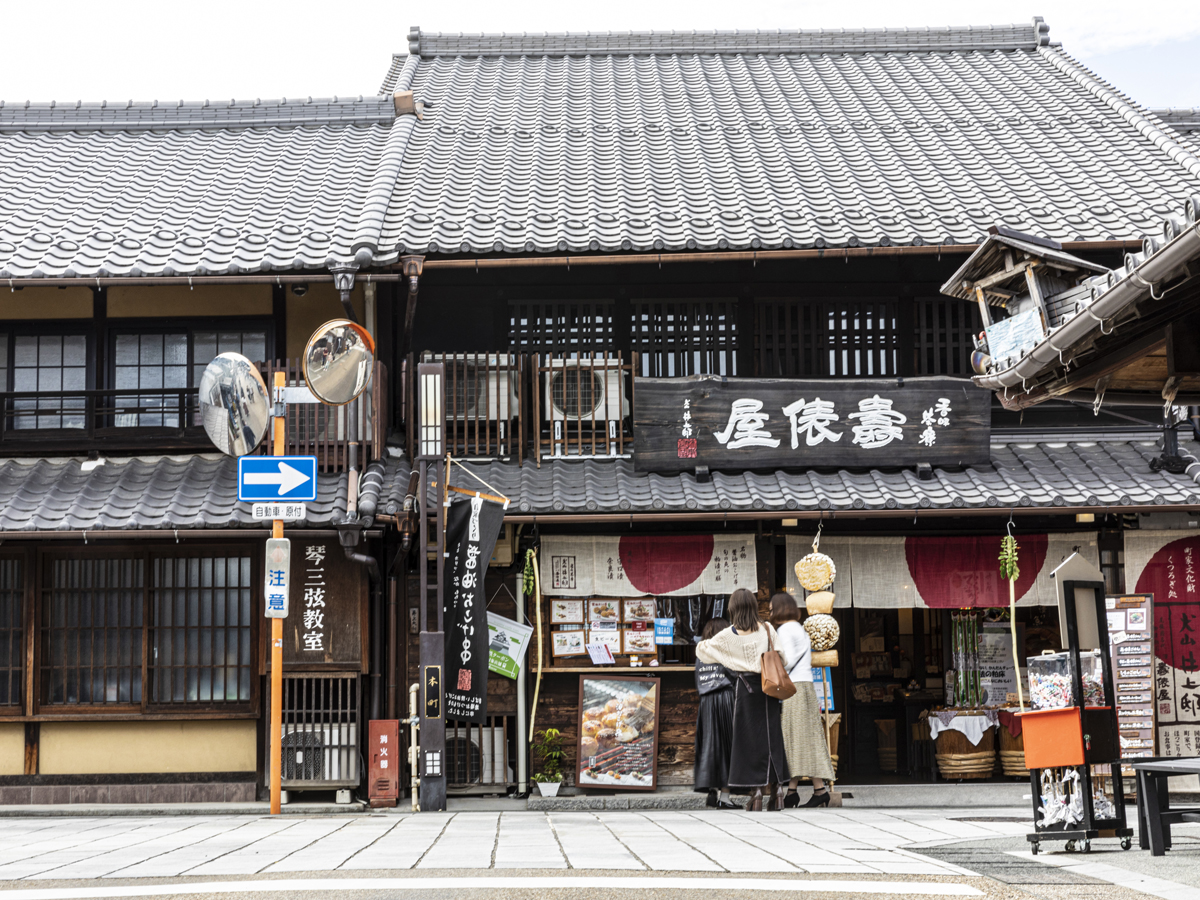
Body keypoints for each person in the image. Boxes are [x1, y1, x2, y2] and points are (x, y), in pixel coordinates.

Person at [696, 588, 790, 811]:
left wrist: (729, 658)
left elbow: (702, 650)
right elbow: (783, 657)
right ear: (754, 606)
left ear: (733, 608)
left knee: (748, 742)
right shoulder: (767, 628)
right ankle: (777, 791)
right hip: (769, 687)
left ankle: (756, 793)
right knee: (772, 738)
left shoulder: (728, 635)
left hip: (745, 688)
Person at [770, 592, 835, 808]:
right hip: (806, 687)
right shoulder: (800, 629)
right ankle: (798, 791)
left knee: (794, 738)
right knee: (803, 738)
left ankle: (813, 791)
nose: (769, 612)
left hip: (793, 688)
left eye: (771, 608)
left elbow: (786, 663)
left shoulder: (785, 630)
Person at [693, 617, 737, 809]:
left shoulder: (701, 652)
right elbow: (736, 675)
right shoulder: (727, 651)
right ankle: (725, 798)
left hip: (706, 703)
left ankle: (711, 790)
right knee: (727, 747)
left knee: (709, 746)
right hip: (725, 700)